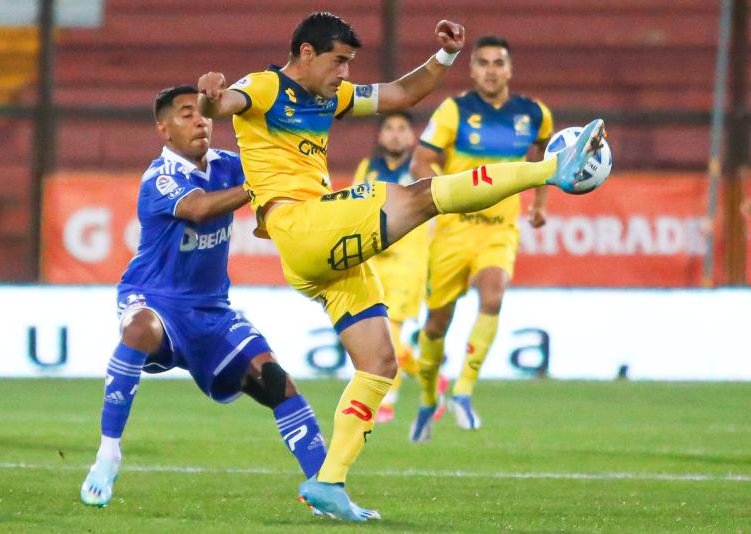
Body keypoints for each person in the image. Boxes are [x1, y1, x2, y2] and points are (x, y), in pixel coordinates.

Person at [197, 11, 604, 521]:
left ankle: (329, 482)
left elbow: (400, 94)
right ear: (306, 53)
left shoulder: (333, 96)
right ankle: (552, 169)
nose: (345, 72)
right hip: (299, 223)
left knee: (380, 364)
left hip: (318, 252)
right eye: (338, 61)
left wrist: (446, 56)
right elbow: (226, 101)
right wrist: (212, 94)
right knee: (423, 196)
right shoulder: (264, 85)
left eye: (349, 62)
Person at [80, 86, 328, 508]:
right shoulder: (159, 178)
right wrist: (263, 188)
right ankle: (108, 453)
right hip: (155, 299)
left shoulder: (229, 166)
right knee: (139, 329)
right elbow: (200, 209)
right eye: (186, 115)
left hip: (212, 311)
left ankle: (327, 485)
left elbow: (276, 179)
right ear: (163, 128)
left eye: (204, 115)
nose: (200, 122)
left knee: (277, 383)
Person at [408, 35, 554, 440]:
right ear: (472, 70)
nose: (491, 70)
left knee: (493, 295)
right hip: (454, 230)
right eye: (484, 63)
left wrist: (539, 204)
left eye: (498, 63)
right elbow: (421, 161)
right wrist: (452, 193)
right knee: (436, 325)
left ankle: (464, 391)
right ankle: (425, 399)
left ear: (509, 70)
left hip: (499, 230)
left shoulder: (534, 114)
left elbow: (543, 159)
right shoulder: (454, 110)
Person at [352, 112, 446, 424]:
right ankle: (429, 374)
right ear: (380, 137)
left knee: (390, 331)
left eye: (402, 129)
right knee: (377, 333)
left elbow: (439, 215)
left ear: (411, 138)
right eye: (389, 128)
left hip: (409, 261)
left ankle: (387, 401)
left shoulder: (423, 170)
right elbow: (352, 208)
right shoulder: (368, 169)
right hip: (373, 260)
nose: (395, 134)